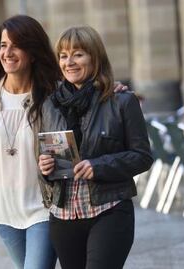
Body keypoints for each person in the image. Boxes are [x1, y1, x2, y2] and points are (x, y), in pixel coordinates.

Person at [38, 26, 153, 269]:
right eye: (63, 55)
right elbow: (48, 165)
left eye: (78, 54)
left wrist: (99, 166)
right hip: (64, 216)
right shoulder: (51, 104)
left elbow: (142, 156)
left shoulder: (122, 101)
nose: (69, 62)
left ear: (95, 57)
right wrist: (45, 168)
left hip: (108, 211)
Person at [0, 15, 64, 269]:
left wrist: (113, 91)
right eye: (3, 45)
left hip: (42, 207)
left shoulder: (53, 94)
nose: (8, 52)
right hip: (3, 209)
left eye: (16, 45)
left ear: (33, 52)